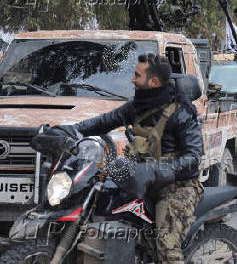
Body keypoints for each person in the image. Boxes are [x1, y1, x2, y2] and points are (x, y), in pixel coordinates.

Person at [74, 53, 204, 264]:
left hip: (177, 186)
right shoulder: (138, 106)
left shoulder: (182, 113)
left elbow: (193, 158)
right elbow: (103, 122)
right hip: (138, 178)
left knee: (167, 246)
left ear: (153, 81)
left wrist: (155, 171)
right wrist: (70, 131)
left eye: (137, 75)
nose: (132, 80)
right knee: (92, 198)